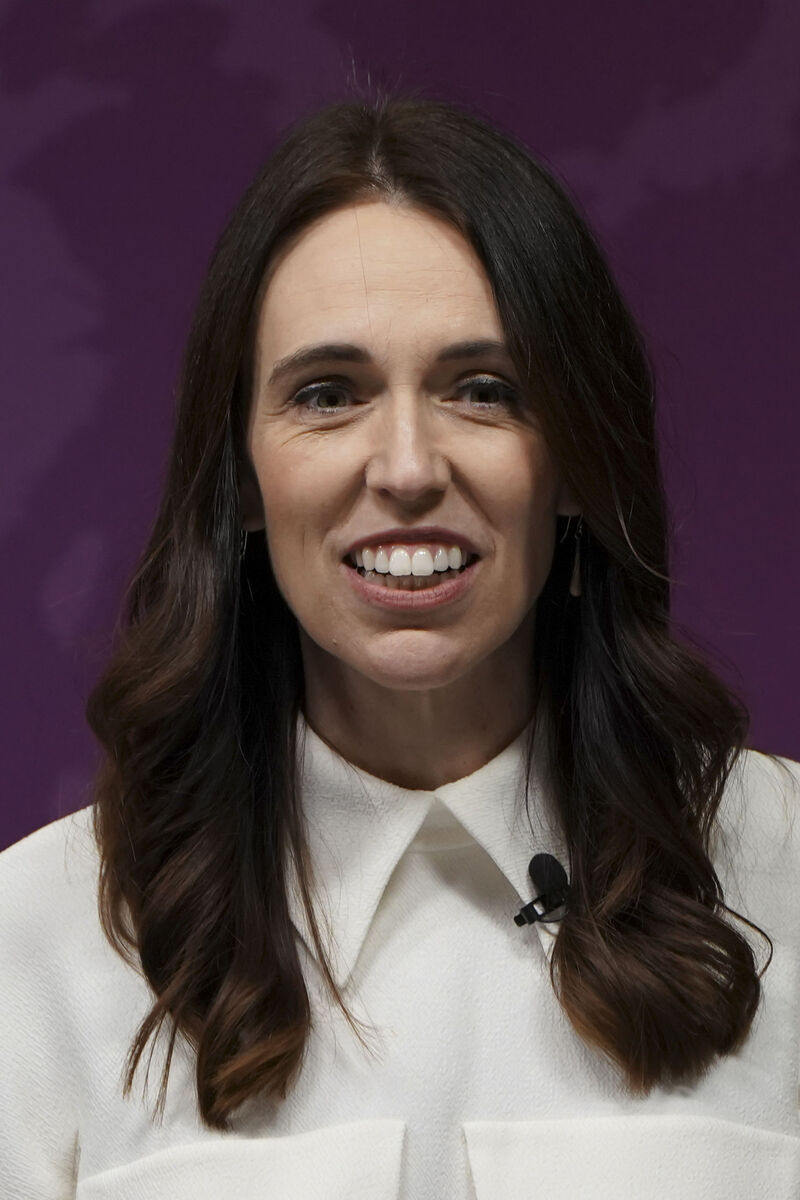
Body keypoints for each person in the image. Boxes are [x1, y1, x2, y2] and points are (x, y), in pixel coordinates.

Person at [1, 90, 799, 1200]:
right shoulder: (32, 946)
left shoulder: (786, 869)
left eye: (483, 390)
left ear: (568, 464)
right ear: (239, 481)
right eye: (328, 395)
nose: (409, 467)